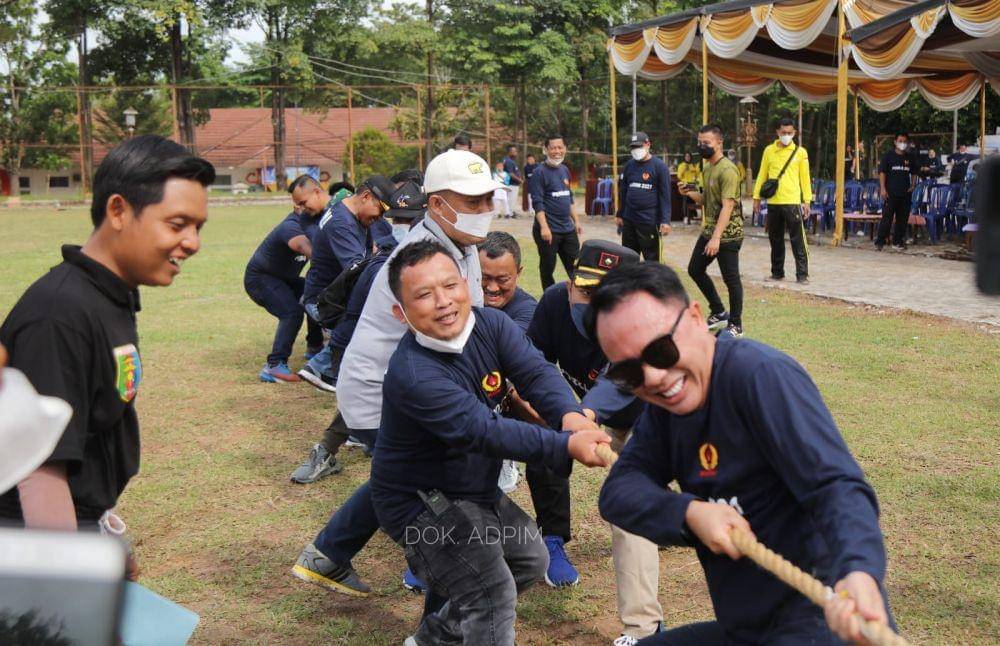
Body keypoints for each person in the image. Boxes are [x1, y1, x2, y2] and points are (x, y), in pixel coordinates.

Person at [588, 261, 896, 645]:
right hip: (745, 629)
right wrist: (690, 513)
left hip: (819, 622)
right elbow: (619, 492)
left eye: (661, 350)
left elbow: (835, 486)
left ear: (697, 318)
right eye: (629, 373)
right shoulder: (668, 408)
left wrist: (859, 572)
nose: (652, 377)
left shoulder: (759, 376)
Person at [371, 239, 611, 646]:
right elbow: (483, 431)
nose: (444, 302)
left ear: (468, 284)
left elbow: (535, 371)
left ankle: (431, 640)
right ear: (401, 312)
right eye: (424, 295)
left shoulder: (490, 325)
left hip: (472, 490)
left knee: (531, 560)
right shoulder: (414, 374)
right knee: (490, 590)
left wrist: (569, 415)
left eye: (450, 286)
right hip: (421, 504)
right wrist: (565, 445)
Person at [292, 149, 503, 597]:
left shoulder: (456, 247)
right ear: (437, 204)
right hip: (381, 393)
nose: (484, 211)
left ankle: (328, 554)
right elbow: (459, 340)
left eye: (487, 199)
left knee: (399, 474)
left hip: (401, 391)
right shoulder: (419, 260)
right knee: (431, 481)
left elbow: (480, 324)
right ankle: (441, 572)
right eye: (471, 202)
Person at [0, 135, 214, 554]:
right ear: (118, 210)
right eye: (177, 224)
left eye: (197, 228)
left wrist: (104, 530)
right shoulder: (60, 314)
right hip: (32, 539)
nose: (192, 243)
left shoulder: (108, 295)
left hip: (81, 520)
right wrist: (75, 576)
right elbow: (40, 472)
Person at [527, 240, 665, 644]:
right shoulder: (553, 304)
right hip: (585, 416)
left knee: (630, 507)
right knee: (540, 438)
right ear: (569, 283)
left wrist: (583, 415)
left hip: (651, 417)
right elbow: (531, 362)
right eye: (586, 291)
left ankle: (644, 630)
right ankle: (552, 539)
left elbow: (622, 379)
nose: (592, 305)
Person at [289, 182, 426, 485]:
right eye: (398, 220)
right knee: (376, 409)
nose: (399, 226)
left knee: (381, 403)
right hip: (353, 351)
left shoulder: (394, 256)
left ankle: (335, 449)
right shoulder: (388, 265)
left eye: (407, 220)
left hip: (360, 351)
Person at [294, 174, 396, 389]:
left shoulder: (349, 211)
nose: (381, 218)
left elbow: (371, 252)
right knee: (370, 324)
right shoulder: (343, 224)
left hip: (333, 296)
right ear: (366, 196)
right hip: (325, 302)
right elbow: (359, 273)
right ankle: (321, 368)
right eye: (381, 210)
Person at [478, 231, 537, 494]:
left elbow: (499, 353)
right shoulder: (459, 294)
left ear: (519, 271)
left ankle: (505, 457)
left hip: (503, 397)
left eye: (502, 279)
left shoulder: (527, 310)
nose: (491, 288)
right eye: (484, 278)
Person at [243, 206, 324, 382]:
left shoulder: (316, 224)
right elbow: (303, 245)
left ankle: (315, 347)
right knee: (292, 313)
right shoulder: (291, 226)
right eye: (304, 202)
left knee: (314, 295)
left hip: (284, 278)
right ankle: (274, 365)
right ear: (297, 206)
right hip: (261, 278)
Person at [679, 125, 745, 338]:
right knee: (694, 269)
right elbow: (706, 200)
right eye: (700, 142)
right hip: (709, 230)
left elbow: (728, 206)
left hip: (728, 234)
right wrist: (689, 192)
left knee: (731, 279)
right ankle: (718, 311)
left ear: (719, 143)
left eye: (706, 142)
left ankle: (736, 325)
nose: (702, 146)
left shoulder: (728, 170)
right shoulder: (707, 168)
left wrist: (716, 238)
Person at [752, 117, 813, 284]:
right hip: (773, 202)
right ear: (777, 132)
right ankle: (777, 272)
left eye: (789, 133)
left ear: (794, 133)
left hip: (792, 202)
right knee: (775, 240)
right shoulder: (768, 151)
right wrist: (756, 198)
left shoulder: (801, 153)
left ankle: (802, 274)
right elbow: (762, 174)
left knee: (798, 240)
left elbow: (805, 179)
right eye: (783, 132)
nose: (786, 135)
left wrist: (807, 200)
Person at [530, 134, 582, 289]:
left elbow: (569, 198)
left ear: (565, 149)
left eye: (560, 147)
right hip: (549, 231)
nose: (557, 151)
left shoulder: (565, 170)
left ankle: (579, 295)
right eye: (553, 148)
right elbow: (537, 203)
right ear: (546, 150)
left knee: (576, 266)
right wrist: (544, 227)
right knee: (548, 268)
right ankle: (548, 297)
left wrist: (577, 221)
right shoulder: (539, 172)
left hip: (568, 229)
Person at [617, 131, 672, 262]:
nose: (636, 150)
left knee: (652, 263)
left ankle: (654, 283)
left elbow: (665, 196)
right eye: (633, 147)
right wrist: (619, 214)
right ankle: (631, 283)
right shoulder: (629, 166)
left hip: (649, 222)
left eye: (639, 146)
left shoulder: (659, 167)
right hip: (629, 221)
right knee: (628, 259)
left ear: (648, 145)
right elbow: (623, 192)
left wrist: (665, 220)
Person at [876, 132, 917, 251]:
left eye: (905, 141)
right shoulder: (888, 156)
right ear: (895, 142)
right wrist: (883, 188)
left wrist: (913, 185)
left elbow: (914, 172)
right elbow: (882, 172)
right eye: (900, 141)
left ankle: (897, 242)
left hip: (905, 193)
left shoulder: (910, 157)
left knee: (902, 219)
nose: (902, 144)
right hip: (890, 193)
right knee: (887, 218)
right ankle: (880, 241)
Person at [675, 151, 702, 223]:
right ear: (684, 157)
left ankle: (692, 216)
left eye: (689, 156)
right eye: (686, 156)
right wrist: (684, 169)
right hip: (685, 185)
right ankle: (685, 216)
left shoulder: (693, 165)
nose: (688, 158)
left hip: (692, 184)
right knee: (685, 201)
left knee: (693, 200)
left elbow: (697, 174)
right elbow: (679, 176)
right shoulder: (681, 165)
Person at [502, 145, 523, 218]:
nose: (515, 153)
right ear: (509, 152)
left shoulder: (507, 160)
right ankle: (510, 213)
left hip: (511, 184)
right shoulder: (509, 161)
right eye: (514, 152)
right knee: (511, 199)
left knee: (510, 199)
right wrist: (520, 180)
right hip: (512, 184)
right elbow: (511, 174)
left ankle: (510, 211)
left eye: (516, 151)